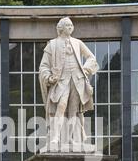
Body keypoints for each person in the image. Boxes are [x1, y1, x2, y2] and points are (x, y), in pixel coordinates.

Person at [38, 17, 99, 152]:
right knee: (61, 106)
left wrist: (86, 69)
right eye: (67, 25)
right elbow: (43, 66)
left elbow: (91, 58)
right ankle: (55, 137)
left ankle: (73, 139)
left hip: (77, 80)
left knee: (74, 111)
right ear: (61, 28)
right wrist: (48, 77)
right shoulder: (52, 45)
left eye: (71, 25)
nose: (70, 27)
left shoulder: (77, 43)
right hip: (61, 81)